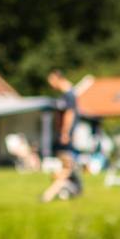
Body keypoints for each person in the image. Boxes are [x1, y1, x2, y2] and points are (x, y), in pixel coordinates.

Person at [42, 70, 83, 202]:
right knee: (65, 166)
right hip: (64, 135)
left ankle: (49, 194)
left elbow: (69, 114)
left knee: (65, 166)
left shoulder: (69, 95)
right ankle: (73, 188)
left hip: (66, 135)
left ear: (58, 79)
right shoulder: (65, 95)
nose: (51, 85)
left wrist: (65, 132)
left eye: (51, 81)